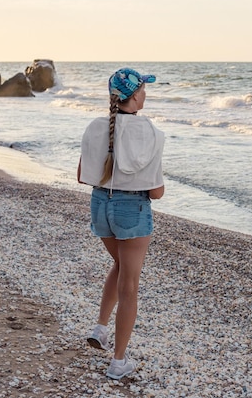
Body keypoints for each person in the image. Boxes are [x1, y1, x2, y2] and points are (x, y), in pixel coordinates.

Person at [77, 67, 165, 380]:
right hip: (132, 210)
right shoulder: (152, 133)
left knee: (120, 265)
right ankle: (118, 362)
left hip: (100, 205)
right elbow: (156, 192)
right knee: (129, 283)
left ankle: (100, 330)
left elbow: (82, 175)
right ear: (135, 97)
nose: (145, 94)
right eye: (143, 89)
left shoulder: (94, 126)